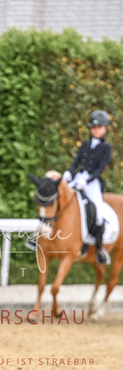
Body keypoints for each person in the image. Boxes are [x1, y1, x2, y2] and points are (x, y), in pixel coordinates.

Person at [62, 110, 112, 265]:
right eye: (93, 127)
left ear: (105, 128)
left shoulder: (106, 148)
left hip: (92, 182)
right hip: (78, 178)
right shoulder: (84, 144)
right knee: (59, 199)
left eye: (99, 127)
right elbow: (76, 163)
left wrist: (87, 180)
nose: (95, 130)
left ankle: (99, 249)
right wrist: (69, 172)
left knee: (98, 213)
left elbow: (100, 169)